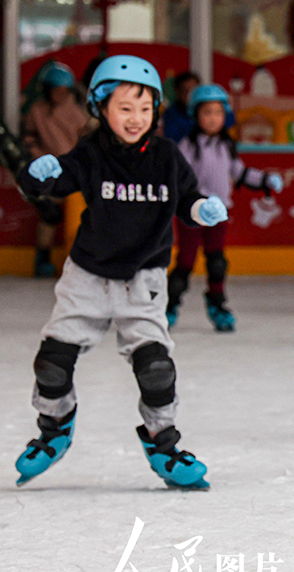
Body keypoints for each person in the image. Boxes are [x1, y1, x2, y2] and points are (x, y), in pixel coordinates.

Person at [13, 55, 228, 490]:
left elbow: (186, 197)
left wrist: (200, 209)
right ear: (100, 108)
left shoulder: (166, 156)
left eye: (145, 108)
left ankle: (163, 444)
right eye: (125, 108)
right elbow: (56, 180)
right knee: (52, 365)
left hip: (143, 282)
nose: (136, 118)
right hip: (87, 277)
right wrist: (36, 174)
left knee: (156, 368)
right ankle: (54, 429)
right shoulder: (91, 153)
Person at [167, 84, 284, 332]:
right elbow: (176, 176)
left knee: (217, 261)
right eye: (207, 112)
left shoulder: (226, 146)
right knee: (186, 261)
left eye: (218, 113)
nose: (213, 118)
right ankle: (169, 305)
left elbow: (240, 173)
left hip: (219, 214)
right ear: (196, 115)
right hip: (192, 213)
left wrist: (265, 180)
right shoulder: (188, 146)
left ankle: (218, 305)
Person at [21, 62, 90, 277]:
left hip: (74, 171)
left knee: (82, 217)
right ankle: (43, 259)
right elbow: (29, 137)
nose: (60, 95)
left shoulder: (76, 112)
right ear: (46, 90)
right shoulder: (37, 110)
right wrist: (38, 157)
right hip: (49, 171)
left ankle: (82, 261)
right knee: (49, 215)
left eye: (64, 91)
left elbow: (87, 140)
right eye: (56, 91)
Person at [162, 71, 200, 143]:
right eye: (185, 91)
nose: (190, 96)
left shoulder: (204, 111)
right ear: (178, 92)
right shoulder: (171, 114)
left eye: (194, 91)